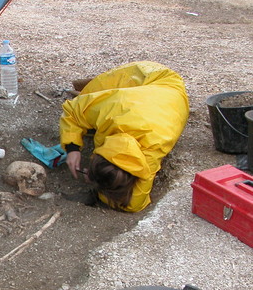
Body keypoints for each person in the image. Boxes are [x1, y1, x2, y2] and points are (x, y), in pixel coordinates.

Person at [60, 61, 190, 212]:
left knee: (91, 110)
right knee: (89, 97)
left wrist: (100, 187)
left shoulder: (152, 152)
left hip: (163, 90)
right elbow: (73, 109)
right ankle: (88, 87)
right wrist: (72, 147)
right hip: (150, 77)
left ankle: (90, 98)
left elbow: (135, 204)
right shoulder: (112, 112)